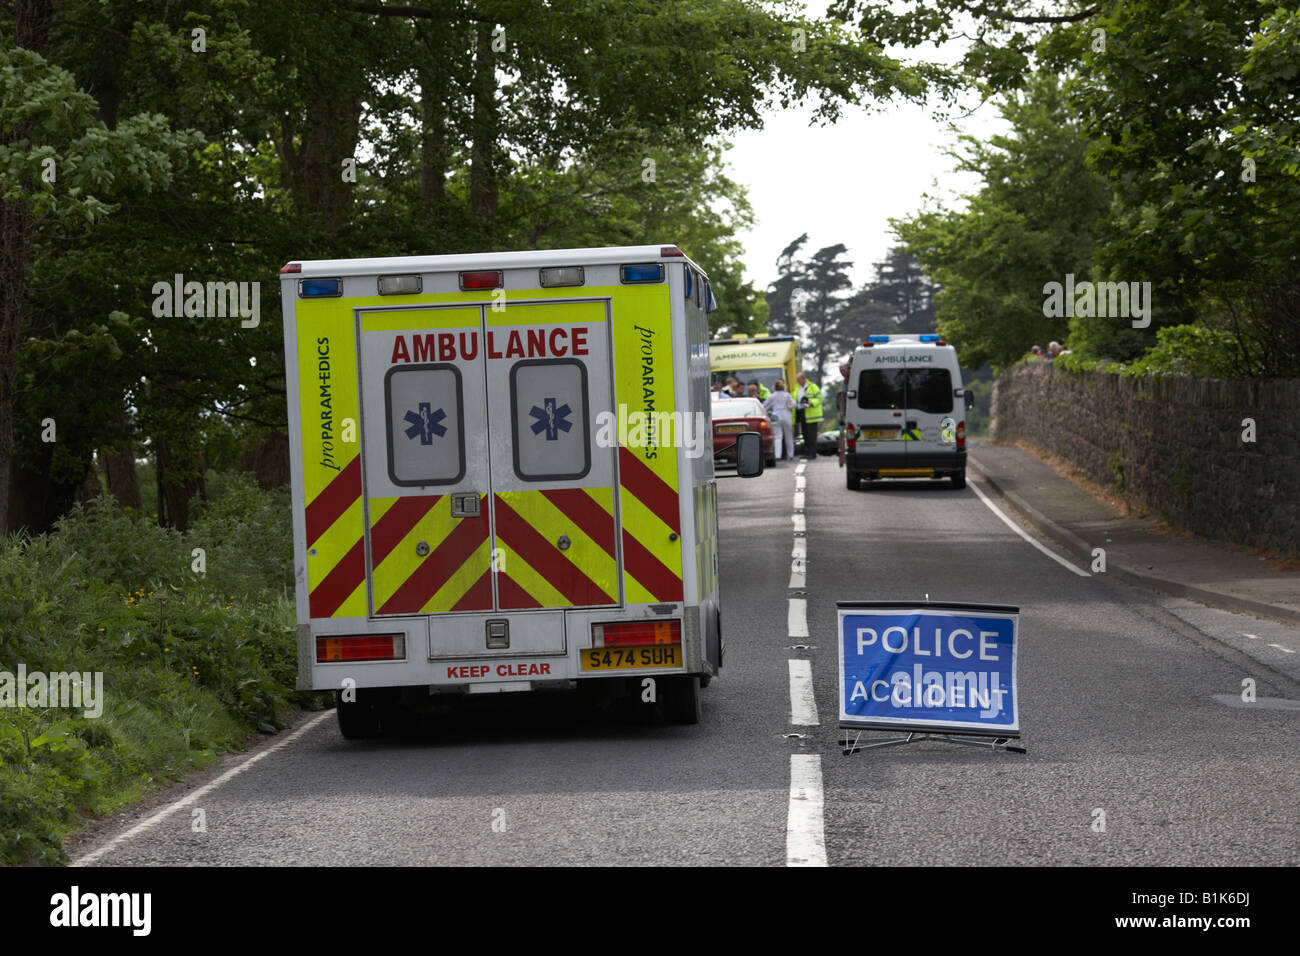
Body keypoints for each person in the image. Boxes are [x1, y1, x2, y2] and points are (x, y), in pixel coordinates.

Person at [764, 379, 796, 461]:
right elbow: (793, 404)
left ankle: (778, 455)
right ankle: (791, 454)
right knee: (789, 436)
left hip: (776, 416)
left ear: (774, 387)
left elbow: (764, 406)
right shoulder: (787, 395)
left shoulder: (771, 396)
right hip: (786, 415)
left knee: (778, 436)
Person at [794, 372, 823, 461]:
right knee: (805, 434)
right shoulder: (797, 387)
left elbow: (819, 398)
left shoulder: (812, 387)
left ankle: (812, 453)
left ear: (803, 378)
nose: (797, 382)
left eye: (798, 380)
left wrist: (811, 402)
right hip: (802, 412)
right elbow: (794, 397)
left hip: (811, 414)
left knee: (811, 435)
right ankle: (806, 453)